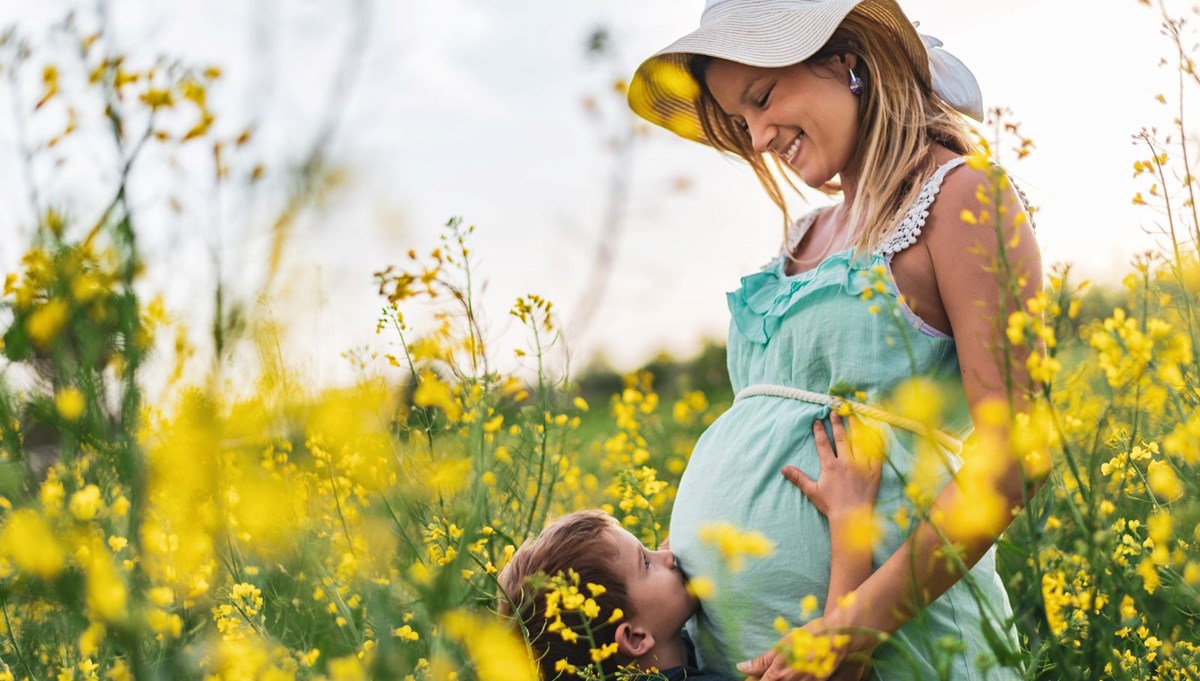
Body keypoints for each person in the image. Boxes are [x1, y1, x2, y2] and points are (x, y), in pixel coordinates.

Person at [626, 0, 1042, 679]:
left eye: (761, 99)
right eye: (740, 121)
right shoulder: (802, 237)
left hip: (909, 650)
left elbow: (1016, 453)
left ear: (843, 58)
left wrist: (852, 624)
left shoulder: (962, 196)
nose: (757, 137)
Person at [499, 413, 880, 681]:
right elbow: (835, 669)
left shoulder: (659, 650)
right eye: (646, 563)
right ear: (634, 638)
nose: (667, 554)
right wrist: (851, 519)